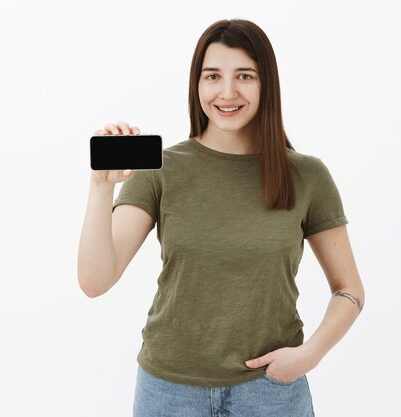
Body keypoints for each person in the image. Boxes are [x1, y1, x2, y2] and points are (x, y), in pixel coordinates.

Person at [77, 19, 365, 417]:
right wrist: (100, 187)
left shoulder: (307, 176)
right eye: (213, 76)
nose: (227, 92)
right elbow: (95, 281)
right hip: (169, 392)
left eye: (244, 76)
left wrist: (309, 355)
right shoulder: (160, 169)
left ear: (267, 84)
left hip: (271, 391)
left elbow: (349, 289)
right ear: (196, 85)